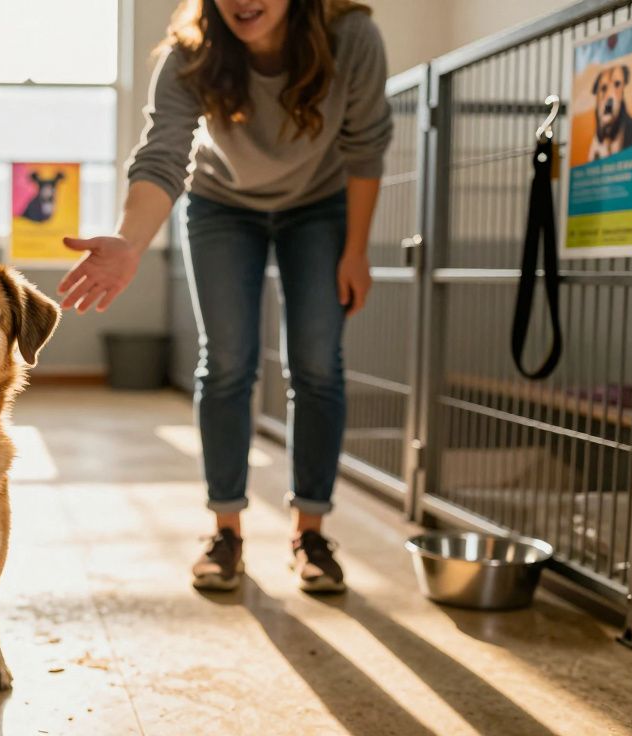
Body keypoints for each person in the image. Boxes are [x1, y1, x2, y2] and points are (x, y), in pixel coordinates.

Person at [59, 0, 391, 592]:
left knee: (317, 364)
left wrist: (356, 251)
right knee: (229, 362)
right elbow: (163, 156)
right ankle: (226, 531)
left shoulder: (351, 37)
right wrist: (132, 242)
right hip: (221, 204)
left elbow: (366, 146)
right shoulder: (188, 56)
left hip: (320, 204)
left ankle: (310, 533)